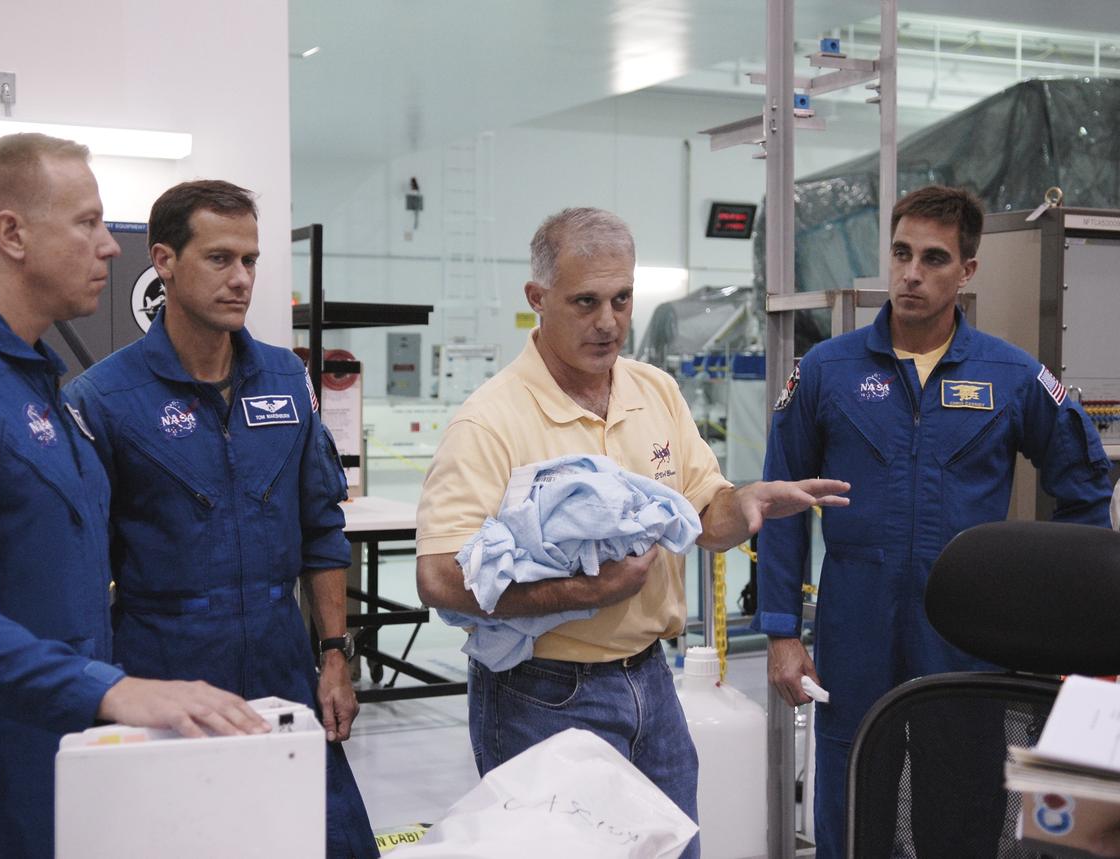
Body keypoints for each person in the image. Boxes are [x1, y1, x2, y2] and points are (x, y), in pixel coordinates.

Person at [0, 134, 268, 859]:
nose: (110, 246)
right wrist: (110, 688)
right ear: (12, 234)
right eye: (88, 221)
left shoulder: (38, 382)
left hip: (60, 759)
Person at [414, 206, 851, 859]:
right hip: (542, 691)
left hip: (651, 679)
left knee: (675, 847)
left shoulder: (655, 392)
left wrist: (749, 502)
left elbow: (704, 511)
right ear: (538, 299)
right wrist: (579, 591)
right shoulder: (491, 421)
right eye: (586, 301)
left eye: (622, 299)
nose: (609, 322)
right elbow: (438, 575)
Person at [757, 185, 1113, 858]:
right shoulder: (827, 372)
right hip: (854, 628)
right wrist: (780, 631)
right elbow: (779, 504)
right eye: (900, 253)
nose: (912, 273)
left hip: (966, 637)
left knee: (963, 810)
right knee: (853, 807)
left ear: (967, 271)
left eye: (933, 258)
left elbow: (1086, 487)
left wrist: (1067, 631)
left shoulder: (1010, 376)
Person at [64, 180, 379, 859]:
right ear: (165, 261)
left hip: (280, 658)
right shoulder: (104, 400)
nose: (241, 279)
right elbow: (79, 566)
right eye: (219, 258)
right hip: (165, 663)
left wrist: (334, 655)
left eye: (250, 260)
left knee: (325, 840)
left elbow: (320, 526)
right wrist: (99, 689)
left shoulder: (287, 382)